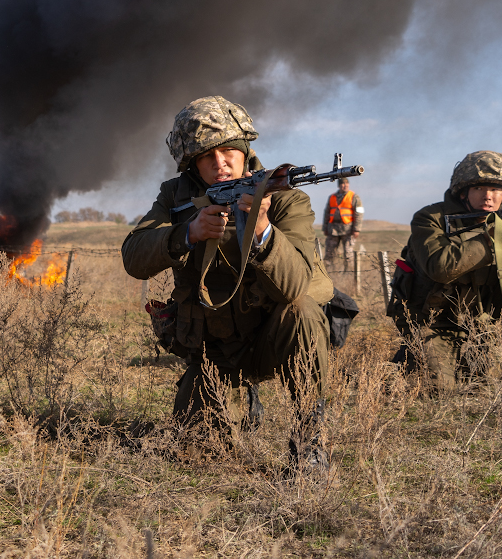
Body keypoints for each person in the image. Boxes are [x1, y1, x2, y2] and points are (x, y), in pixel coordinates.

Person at [122, 96, 331, 470]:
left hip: (268, 340)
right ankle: (242, 401)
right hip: (212, 351)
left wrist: (262, 229)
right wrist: (188, 233)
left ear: (245, 150)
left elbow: (295, 285)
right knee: (197, 452)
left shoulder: (286, 201)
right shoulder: (175, 196)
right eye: (207, 156)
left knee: (303, 309)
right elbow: (134, 256)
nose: (221, 164)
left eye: (229, 151)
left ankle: (309, 442)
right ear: (192, 164)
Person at [391, 151, 502, 390]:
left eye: (496, 190)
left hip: (484, 326)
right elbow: (439, 268)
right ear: (463, 191)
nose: (488, 197)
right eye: (480, 188)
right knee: (438, 387)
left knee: (491, 381)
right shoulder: (431, 218)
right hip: (435, 324)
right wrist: (490, 241)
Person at [322, 177, 362, 272]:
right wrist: (325, 227)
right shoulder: (332, 197)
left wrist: (357, 229)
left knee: (348, 254)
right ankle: (328, 273)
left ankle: (349, 274)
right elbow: (327, 213)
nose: (345, 186)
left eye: (346, 184)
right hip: (333, 229)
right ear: (339, 185)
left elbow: (359, 213)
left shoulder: (354, 197)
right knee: (329, 253)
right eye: (343, 184)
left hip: (348, 229)